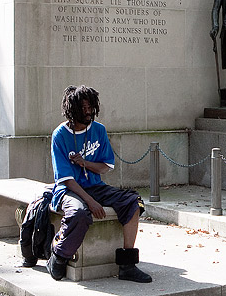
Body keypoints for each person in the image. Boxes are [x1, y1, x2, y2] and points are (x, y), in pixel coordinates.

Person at [46, 85, 151, 283]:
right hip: (68, 189)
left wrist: (85, 163)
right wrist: (90, 201)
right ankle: (58, 257)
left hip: (95, 186)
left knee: (132, 202)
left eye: (90, 107)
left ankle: (127, 265)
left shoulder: (99, 130)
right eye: (83, 108)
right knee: (79, 213)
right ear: (72, 110)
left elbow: (105, 166)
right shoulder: (59, 135)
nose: (88, 112)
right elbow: (66, 179)